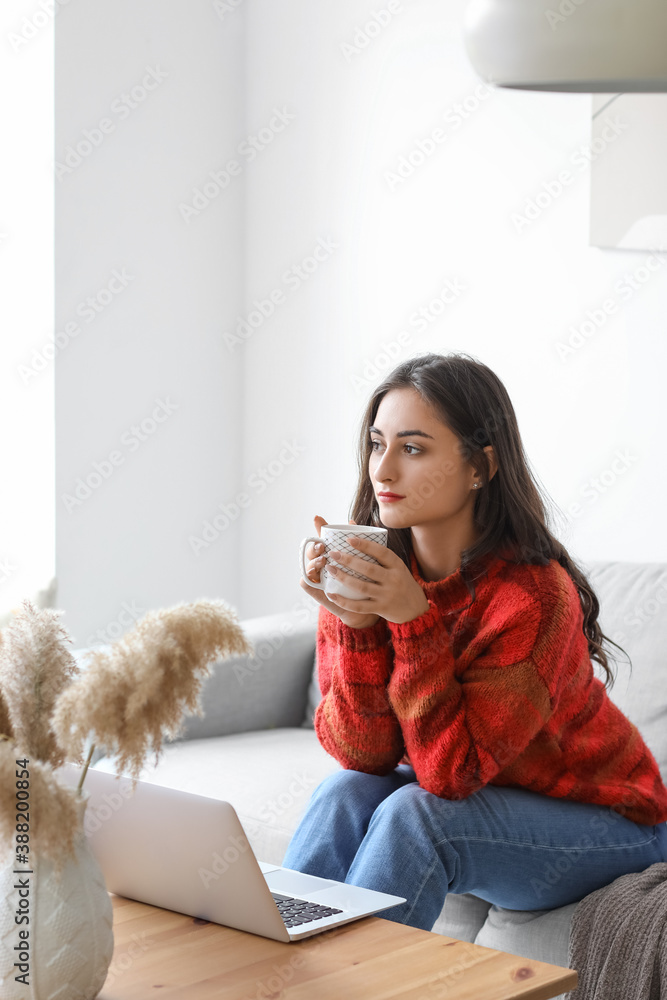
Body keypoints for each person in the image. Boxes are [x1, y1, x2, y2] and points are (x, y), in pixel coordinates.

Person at [282, 351, 667, 931]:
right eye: (375, 443)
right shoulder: (374, 566)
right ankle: (266, 973)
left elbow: (450, 776)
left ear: (479, 466)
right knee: (343, 793)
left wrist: (413, 625)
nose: (382, 471)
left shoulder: (534, 598)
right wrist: (359, 629)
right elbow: (365, 757)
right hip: (495, 793)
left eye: (412, 449)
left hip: (611, 823)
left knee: (417, 816)